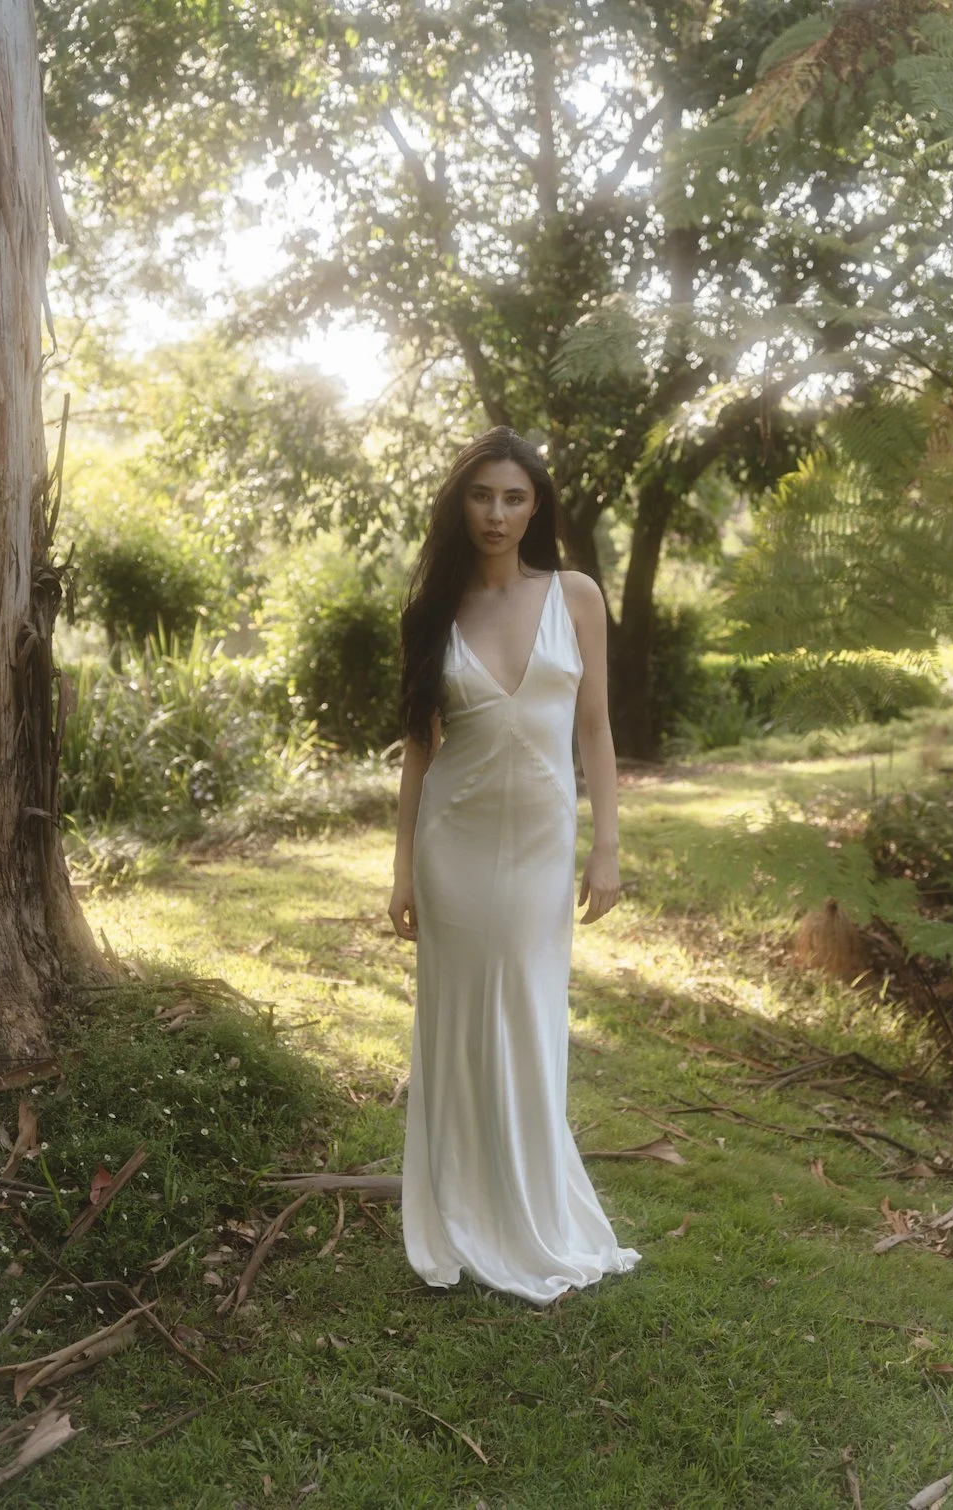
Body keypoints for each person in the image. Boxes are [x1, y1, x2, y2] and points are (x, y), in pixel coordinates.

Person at [389, 426, 640, 1307]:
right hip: (450, 843)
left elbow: (598, 731)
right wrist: (400, 872)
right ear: (460, 505)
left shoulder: (575, 597)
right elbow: (420, 755)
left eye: (513, 497)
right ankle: (458, 1213)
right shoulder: (435, 609)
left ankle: (531, 1211)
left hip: (542, 844)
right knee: (457, 1024)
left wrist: (607, 844)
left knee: (531, 1015)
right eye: (481, 496)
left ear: (537, 508)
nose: (496, 513)